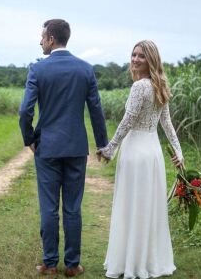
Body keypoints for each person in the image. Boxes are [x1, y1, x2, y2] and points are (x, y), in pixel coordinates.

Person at [19, 19, 109, 277]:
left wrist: (30, 139)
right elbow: (96, 112)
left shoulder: (38, 69)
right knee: (72, 208)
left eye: (42, 37)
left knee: (49, 207)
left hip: (47, 148)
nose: (39, 42)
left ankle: (49, 263)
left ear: (50, 39)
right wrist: (102, 144)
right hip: (76, 148)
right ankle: (72, 265)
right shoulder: (86, 70)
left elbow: (25, 110)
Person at [97, 39, 184, 279]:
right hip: (153, 151)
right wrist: (178, 150)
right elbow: (166, 123)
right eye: (134, 54)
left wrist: (111, 147)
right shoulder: (160, 84)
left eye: (141, 56)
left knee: (132, 205)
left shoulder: (140, 87)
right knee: (147, 207)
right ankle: (148, 261)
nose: (135, 59)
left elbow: (128, 121)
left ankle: (131, 263)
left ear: (151, 59)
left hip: (136, 150)